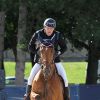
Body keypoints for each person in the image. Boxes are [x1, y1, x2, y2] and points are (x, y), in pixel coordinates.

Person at [25, 18, 70, 100]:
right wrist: (37, 52)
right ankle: (27, 96)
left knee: (65, 79)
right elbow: (30, 46)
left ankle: (67, 98)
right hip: (40, 61)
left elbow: (64, 47)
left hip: (54, 61)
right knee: (30, 78)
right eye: (48, 28)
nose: (50, 30)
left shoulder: (57, 35)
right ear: (44, 27)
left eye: (52, 28)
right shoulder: (38, 34)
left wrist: (58, 53)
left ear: (54, 28)